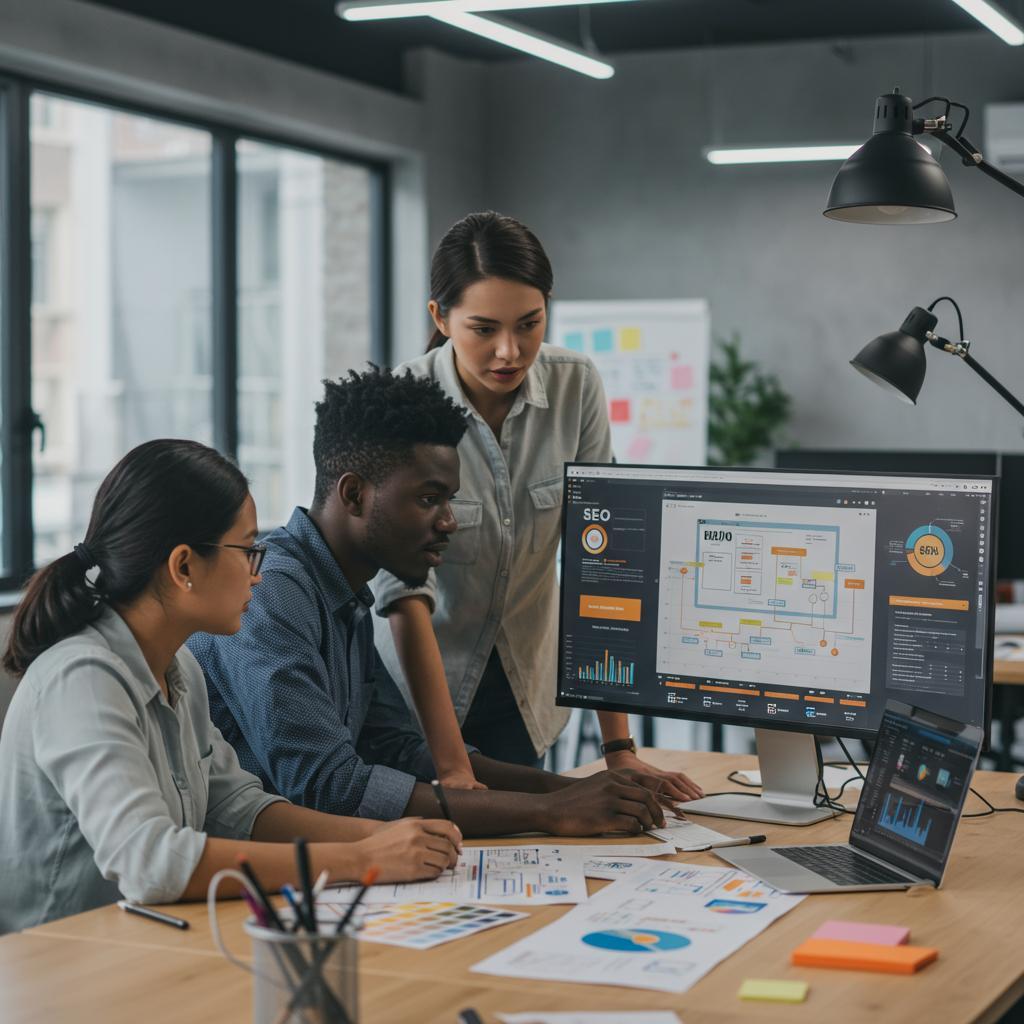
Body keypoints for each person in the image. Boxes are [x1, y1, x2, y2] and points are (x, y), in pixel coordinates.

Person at [0, 440, 459, 934]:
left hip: (145, 943)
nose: (258, 576)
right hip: (63, 970)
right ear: (183, 567)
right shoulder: (83, 678)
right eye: (247, 552)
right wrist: (360, 858)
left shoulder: (179, 667)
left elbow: (239, 809)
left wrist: (385, 836)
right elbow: (149, 860)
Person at [190, 368, 669, 837]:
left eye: (450, 500)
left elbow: (397, 748)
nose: (449, 522)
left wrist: (568, 789)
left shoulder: (345, 592)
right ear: (354, 494)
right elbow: (328, 786)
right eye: (428, 499)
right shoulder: (272, 593)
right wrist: (550, 811)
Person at [372, 211, 704, 797]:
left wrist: (618, 749)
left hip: (525, 690)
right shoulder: (401, 404)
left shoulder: (575, 385)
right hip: (417, 695)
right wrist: (452, 765)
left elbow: (602, 564)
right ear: (439, 318)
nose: (509, 351)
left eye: (529, 324)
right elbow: (404, 594)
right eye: (483, 329)